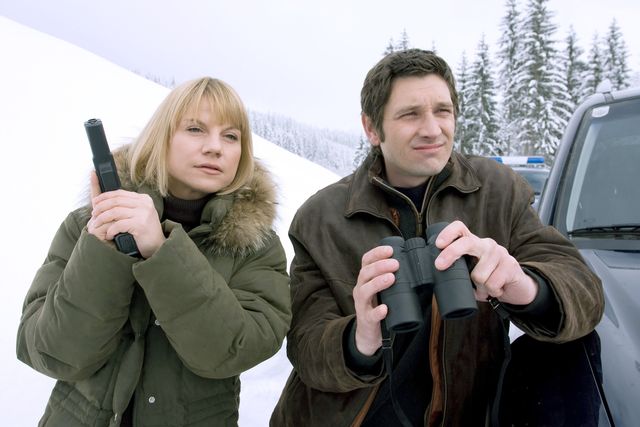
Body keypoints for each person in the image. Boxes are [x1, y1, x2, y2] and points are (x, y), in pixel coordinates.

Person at [270, 49, 604, 426]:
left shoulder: (495, 191)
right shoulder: (323, 218)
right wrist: (359, 339)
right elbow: (306, 346)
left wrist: (525, 286)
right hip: (353, 418)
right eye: (410, 114)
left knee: (575, 346)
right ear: (372, 128)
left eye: (442, 111)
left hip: (462, 415)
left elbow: (585, 294)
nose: (432, 129)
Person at [17, 77, 291, 426]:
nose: (215, 147)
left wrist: (162, 252)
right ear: (162, 137)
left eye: (231, 136)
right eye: (195, 129)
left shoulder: (256, 247)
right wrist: (102, 251)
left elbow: (232, 351)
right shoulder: (87, 225)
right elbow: (51, 353)